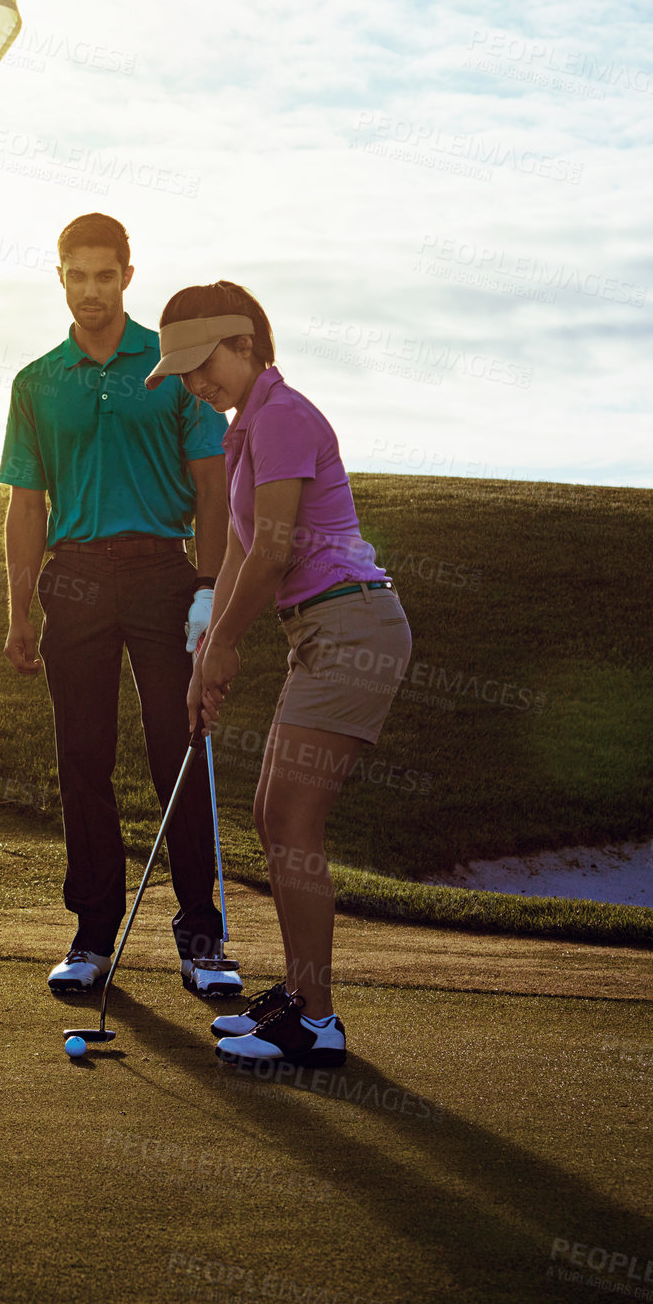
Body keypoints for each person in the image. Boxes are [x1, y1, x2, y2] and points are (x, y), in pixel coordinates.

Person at [144, 280, 412, 1067]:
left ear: (250, 343)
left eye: (204, 363)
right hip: (321, 632)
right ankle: (299, 999)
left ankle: (317, 1020)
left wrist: (228, 644)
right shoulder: (247, 431)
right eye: (184, 372)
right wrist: (207, 654)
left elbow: (277, 549)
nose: (197, 383)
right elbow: (233, 558)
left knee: (293, 823)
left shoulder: (285, 416)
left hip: (351, 623)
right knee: (271, 816)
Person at [0, 213, 237, 998]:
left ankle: (201, 939)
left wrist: (210, 589)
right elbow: (26, 504)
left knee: (180, 748)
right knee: (82, 759)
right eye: (78, 275)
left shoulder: (174, 370)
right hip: (75, 580)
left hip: (162, 574)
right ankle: (93, 935)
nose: (92, 290)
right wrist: (19, 610)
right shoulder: (36, 382)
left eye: (106, 275)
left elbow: (211, 487)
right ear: (60, 276)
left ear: (128, 276)